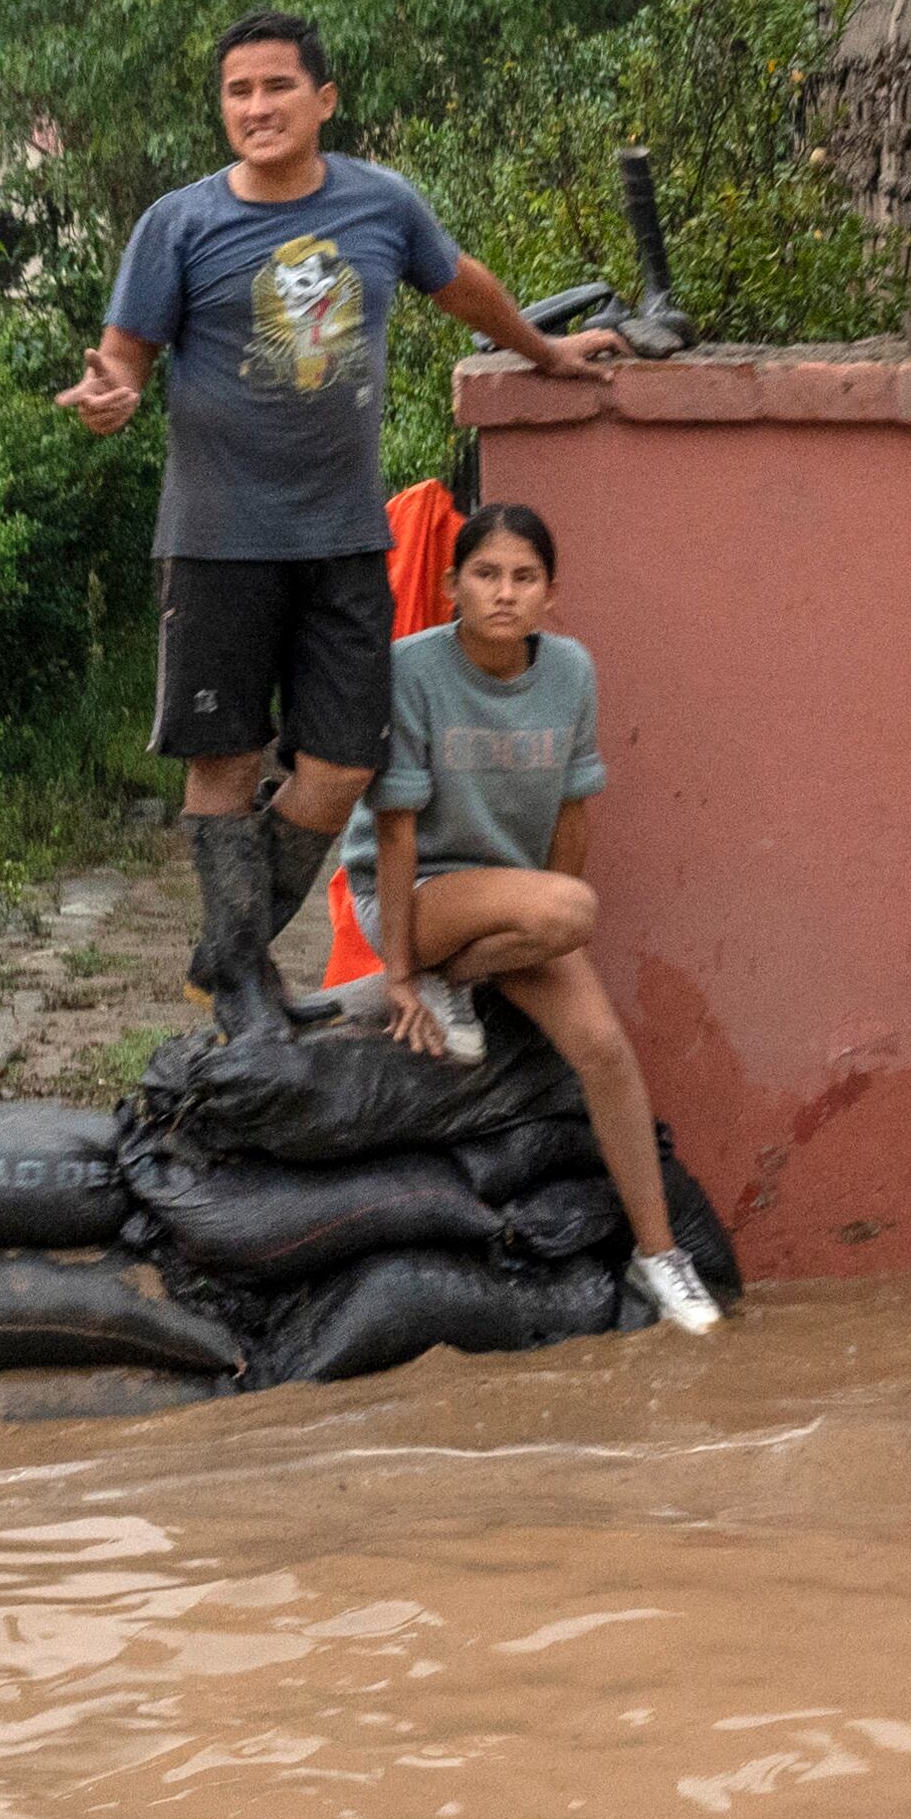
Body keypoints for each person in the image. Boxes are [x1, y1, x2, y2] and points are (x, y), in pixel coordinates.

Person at [55, 8, 624, 1044]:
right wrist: (111, 398)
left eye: (278, 87)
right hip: (217, 538)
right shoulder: (177, 225)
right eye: (238, 91)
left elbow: (462, 288)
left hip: (343, 537)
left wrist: (545, 353)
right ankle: (241, 983)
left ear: (324, 99)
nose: (257, 108)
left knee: (344, 764)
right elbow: (124, 360)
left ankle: (222, 957)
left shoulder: (379, 204)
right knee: (225, 762)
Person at [340, 503, 723, 1333]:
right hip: (411, 899)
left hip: (516, 906)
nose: (504, 594)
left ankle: (658, 1255)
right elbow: (397, 830)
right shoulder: (412, 670)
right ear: (451, 586)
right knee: (571, 904)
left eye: (524, 578)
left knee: (604, 1050)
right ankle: (423, 980)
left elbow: (575, 814)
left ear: (552, 593)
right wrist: (403, 971)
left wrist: (545, 936)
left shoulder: (571, 672)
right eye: (485, 575)